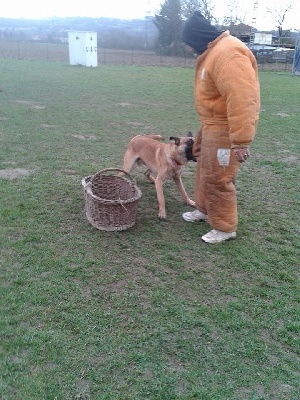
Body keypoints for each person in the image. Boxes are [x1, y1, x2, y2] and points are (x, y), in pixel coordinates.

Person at [181, 11, 260, 244]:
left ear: (196, 37)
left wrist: (241, 140)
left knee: (219, 177)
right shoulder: (214, 52)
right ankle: (204, 210)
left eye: (188, 44)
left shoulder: (228, 53)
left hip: (226, 130)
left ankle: (225, 227)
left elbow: (243, 98)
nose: (188, 49)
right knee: (205, 170)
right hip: (212, 126)